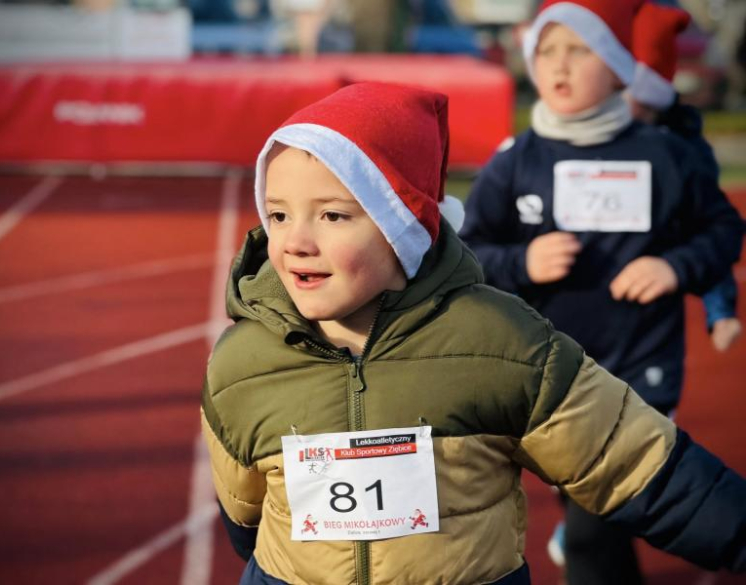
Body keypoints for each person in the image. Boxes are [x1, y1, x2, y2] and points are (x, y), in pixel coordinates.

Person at [201, 81, 745, 584]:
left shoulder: (502, 344)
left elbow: (639, 468)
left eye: (333, 216)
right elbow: (247, 521)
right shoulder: (242, 364)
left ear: (402, 227)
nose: (295, 241)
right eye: (276, 215)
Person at [458, 0, 744, 583]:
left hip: (642, 367)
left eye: (579, 50)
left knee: (594, 523)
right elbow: (465, 256)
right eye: (547, 51)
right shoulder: (515, 163)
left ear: (618, 67)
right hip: (552, 373)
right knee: (596, 517)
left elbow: (722, 230)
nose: (559, 66)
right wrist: (522, 260)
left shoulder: (665, 155)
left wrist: (675, 266)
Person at [626, 1, 742, 353]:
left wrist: (720, 309)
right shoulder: (548, 148)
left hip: (649, 326)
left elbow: (710, 229)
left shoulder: (683, 152)